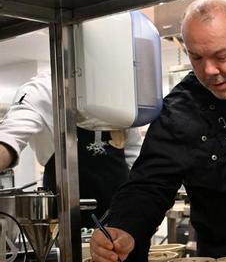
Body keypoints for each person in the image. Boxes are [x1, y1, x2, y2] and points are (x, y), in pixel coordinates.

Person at [90, 0, 226, 262]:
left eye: (221, 56)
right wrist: (123, 228)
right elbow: (149, 184)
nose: (210, 71)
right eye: (196, 58)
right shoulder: (179, 111)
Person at [0, 73, 141, 223]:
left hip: (120, 214)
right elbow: (10, 137)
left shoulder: (118, 90)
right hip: (63, 219)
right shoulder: (42, 90)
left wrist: (141, 201)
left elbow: (134, 153)